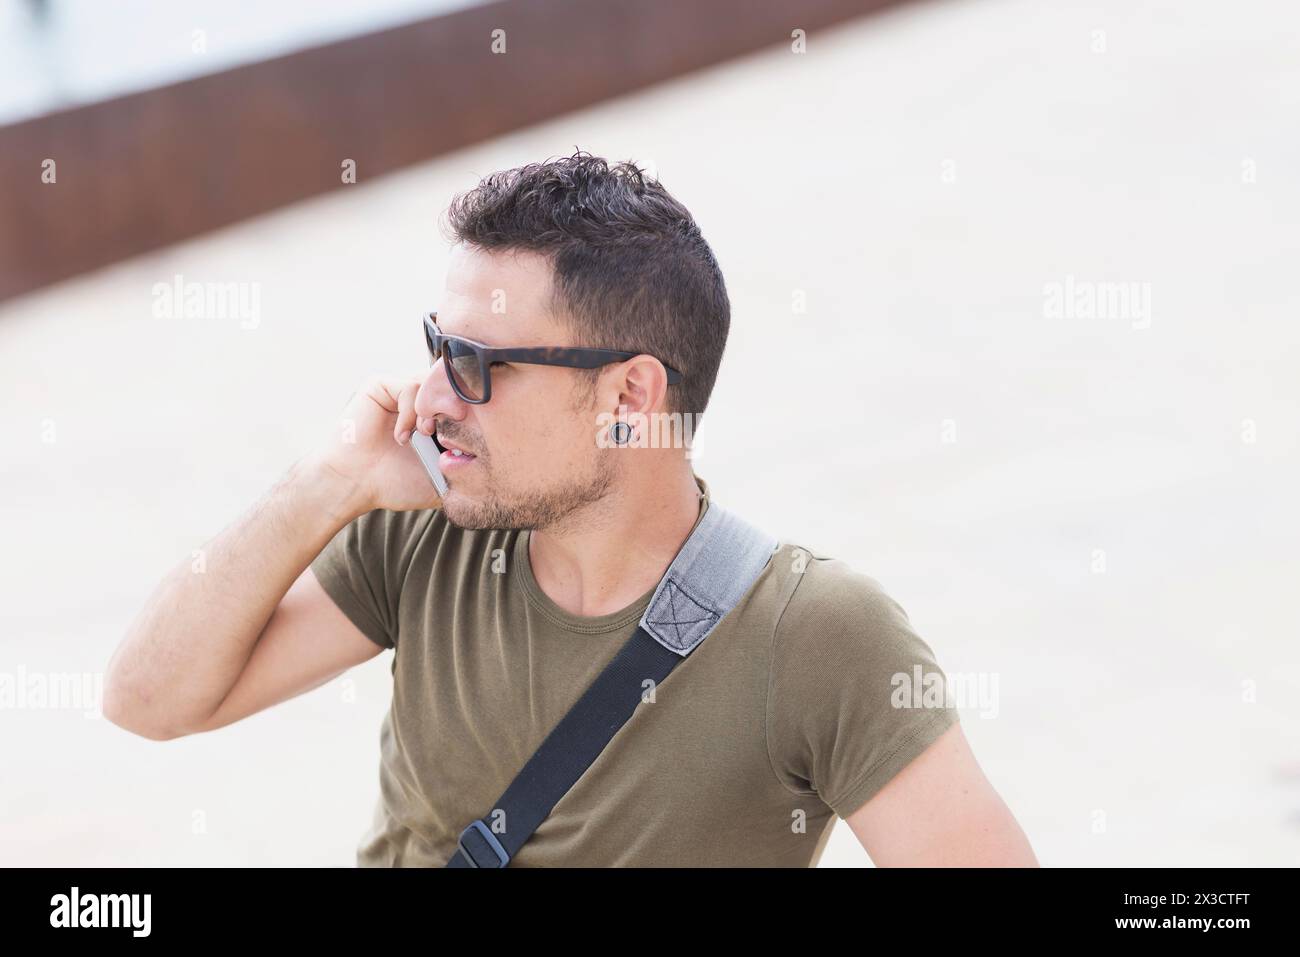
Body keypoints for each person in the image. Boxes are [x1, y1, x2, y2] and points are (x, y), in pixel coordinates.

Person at [105, 150, 1037, 867]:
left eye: (476, 364)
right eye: (436, 346)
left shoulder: (817, 637)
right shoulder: (431, 528)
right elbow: (146, 701)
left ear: (629, 397)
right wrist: (327, 482)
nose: (428, 398)